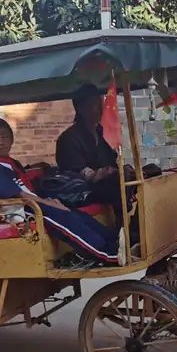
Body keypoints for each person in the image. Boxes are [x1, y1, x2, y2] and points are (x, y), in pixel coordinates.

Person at [0, 116, 123, 266]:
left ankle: (114, 240)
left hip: (29, 204)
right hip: (16, 211)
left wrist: (51, 201)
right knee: (64, 218)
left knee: (77, 214)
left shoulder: (10, 163)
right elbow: (20, 194)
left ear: (12, 138)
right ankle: (106, 254)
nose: (0, 142)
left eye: (4, 136)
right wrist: (49, 204)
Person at [55, 84, 138, 242]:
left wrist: (118, 169)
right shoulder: (69, 138)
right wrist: (98, 174)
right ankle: (120, 232)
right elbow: (75, 172)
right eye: (92, 105)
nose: (98, 109)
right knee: (120, 180)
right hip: (82, 191)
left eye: (99, 104)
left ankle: (135, 227)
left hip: (105, 183)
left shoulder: (101, 132)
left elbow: (111, 161)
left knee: (146, 173)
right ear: (80, 108)